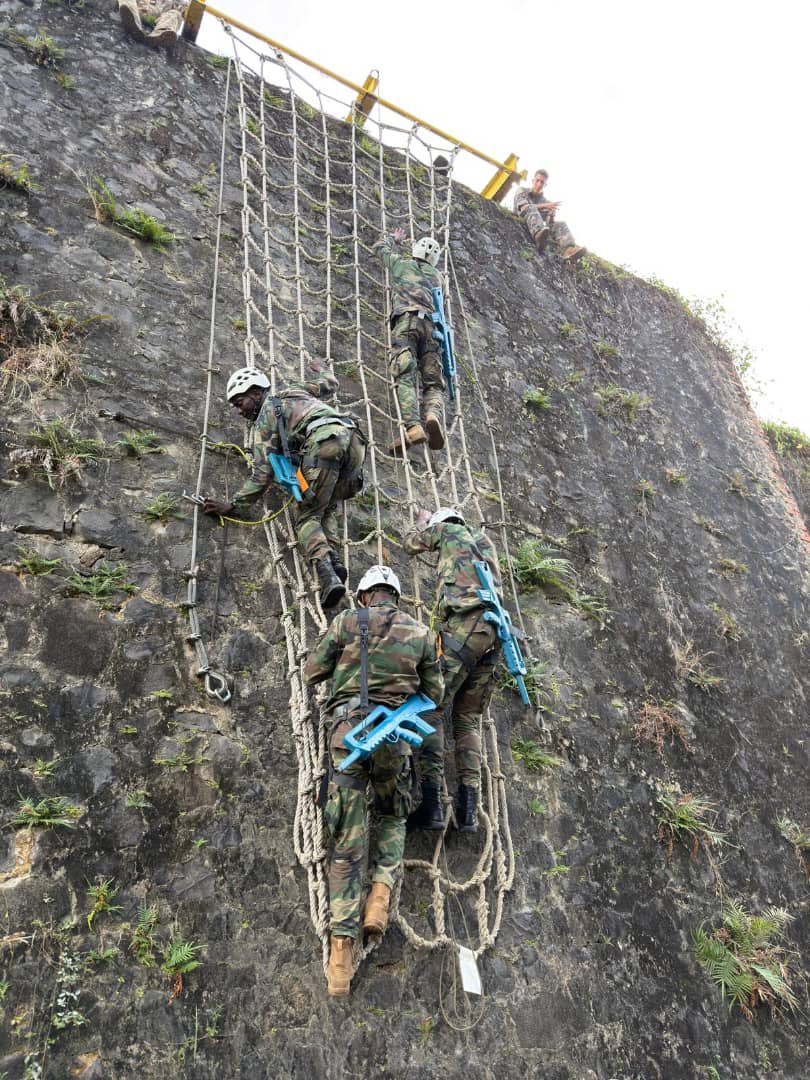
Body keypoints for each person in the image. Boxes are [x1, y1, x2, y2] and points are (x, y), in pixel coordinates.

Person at [304, 565, 444, 997]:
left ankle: (340, 958)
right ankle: (379, 900)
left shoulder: (346, 622)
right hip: (395, 738)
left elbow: (312, 671)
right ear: (395, 596)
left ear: (364, 595)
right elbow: (435, 694)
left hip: (347, 736)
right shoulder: (421, 633)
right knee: (392, 813)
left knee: (347, 842)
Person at [203, 362, 365, 609]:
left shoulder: (265, 419)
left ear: (256, 393)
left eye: (240, 402)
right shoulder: (295, 390)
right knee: (326, 507)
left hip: (325, 442)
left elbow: (262, 473)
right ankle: (334, 562)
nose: (239, 411)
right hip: (354, 443)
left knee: (306, 517)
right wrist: (322, 369)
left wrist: (233, 506)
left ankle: (327, 575)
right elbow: (330, 384)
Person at [403, 507, 502, 833]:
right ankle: (468, 810)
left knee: (430, 709)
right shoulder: (484, 542)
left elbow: (411, 543)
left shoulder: (446, 530)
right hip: (495, 636)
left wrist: (422, 522)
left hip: (464, 629)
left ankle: (431, 802)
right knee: (467, 719)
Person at [376, 226, 446, 455]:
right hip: (432, 331)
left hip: (407, 323)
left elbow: (380, 248)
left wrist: (394, 239)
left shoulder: (402, 265)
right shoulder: (438, 278)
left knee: (405, 374)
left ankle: (414, 427)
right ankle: (432, 414)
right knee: (433, 383)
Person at [513, 169, 585, 262]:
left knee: (561, 224)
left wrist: (551, 216)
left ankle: (569, 250)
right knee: (531, 208)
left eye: (542, 182)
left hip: (539, 226)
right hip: (521, 219)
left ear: (545, 185)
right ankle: (538, 237)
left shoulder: (546, 201)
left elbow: (549, 224)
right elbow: (524, 207)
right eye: (537, 180)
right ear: (533, 181)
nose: (539, 184)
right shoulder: (522, 190)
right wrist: (544, 206)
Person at [118, 0, 184, 46]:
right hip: (136, 13)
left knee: (176, 14)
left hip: (157, 21)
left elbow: (183, 11)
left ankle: (158, 36)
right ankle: (134, 26)